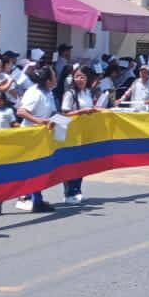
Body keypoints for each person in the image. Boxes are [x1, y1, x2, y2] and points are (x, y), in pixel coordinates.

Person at [14, 65, 58, 213]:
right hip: (29, 135)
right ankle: (34, 199)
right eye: (53, 76)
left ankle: (33, 197)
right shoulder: (34, 93)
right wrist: (39, 121)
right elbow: (21, 111)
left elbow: (51, 112)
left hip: (42, 135)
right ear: (47, 80)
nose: (55, 78)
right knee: (33, 168)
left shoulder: (48, 93)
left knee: (39, 168)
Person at [59, 65, 104, 203]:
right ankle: (68, 193)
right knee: (71, 163)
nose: (79, 79)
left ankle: (77, 189)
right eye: (77, 76)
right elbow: (64, 113)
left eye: (82, 77)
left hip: (85, 132)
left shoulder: (88, 92)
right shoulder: (70, 94)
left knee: (82, 163)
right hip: (72, 133)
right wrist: (81, 112)